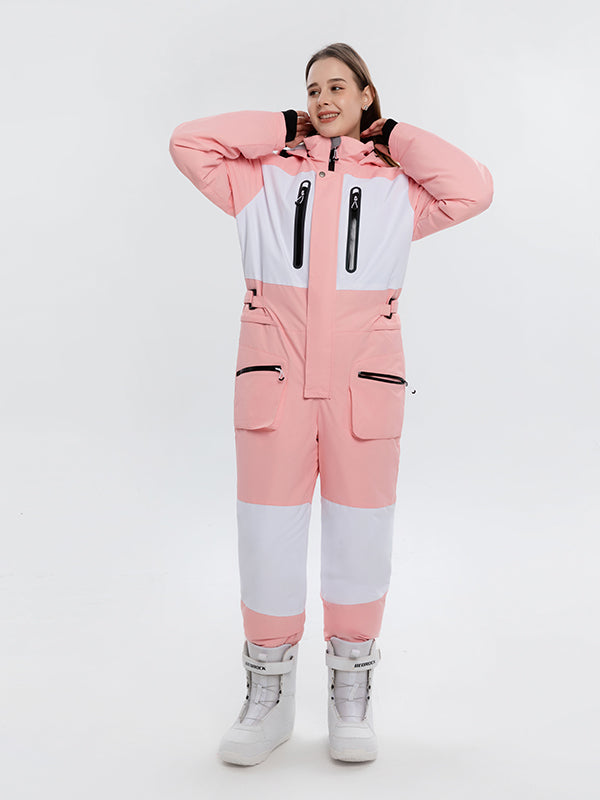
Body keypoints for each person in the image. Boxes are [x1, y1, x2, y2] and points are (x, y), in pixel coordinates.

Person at [169, 41, 493, 766]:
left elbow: (473, 188)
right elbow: (188, 142)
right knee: (266, 541)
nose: (323, 99)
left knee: (360, 543)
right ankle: (268, 697)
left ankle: (351, 696)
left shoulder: (399, 191)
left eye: (339, 86)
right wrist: (282, 126)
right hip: (275, 385)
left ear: (367, 95)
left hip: (362, 390)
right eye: (313, 88)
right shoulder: (260, 180)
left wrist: (393, 136)